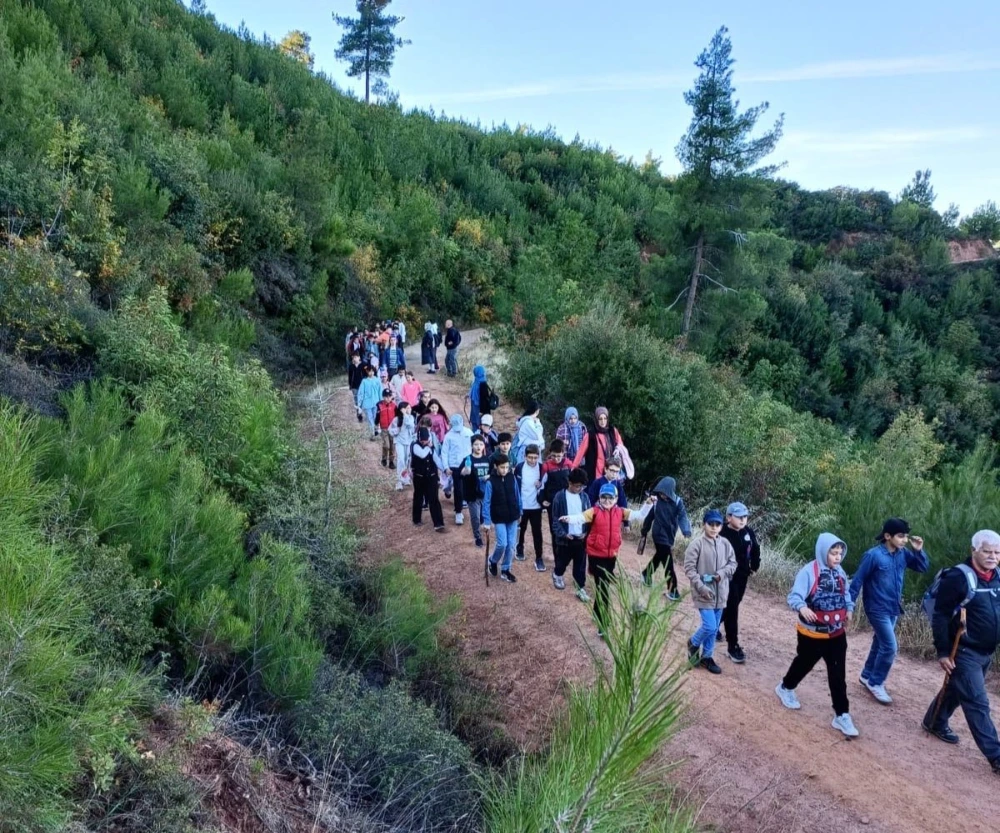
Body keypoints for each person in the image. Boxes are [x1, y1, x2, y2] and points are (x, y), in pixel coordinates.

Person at [921, 530, 1000, 773]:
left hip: (987, 651)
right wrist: (943, 652)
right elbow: (941, 615)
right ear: (973, 550)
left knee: (958, 688)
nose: (993, 556)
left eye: (997, 552)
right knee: (977, 702)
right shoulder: (958, 577)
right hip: (964, 650)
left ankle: (933, 722)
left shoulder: (997, 576)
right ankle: (996, 756)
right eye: (987, 551)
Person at [775, 533, 859, 738]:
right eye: (833, 553)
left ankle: (842, 714)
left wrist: (849, 608)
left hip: (837, 632)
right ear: (823, 552)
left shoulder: (840, 572)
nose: (838, 557)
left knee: (838, 674)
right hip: (811, 633)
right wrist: (802, 608)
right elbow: (794, 596)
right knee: (804, 663)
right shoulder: (808, 572)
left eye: (840, 553)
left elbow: (846, 594)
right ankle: (786, 687)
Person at [849, 518, 929, 704]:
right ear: (887, 536)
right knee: (890, 647)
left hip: (893, 607)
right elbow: (857, 581)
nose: (904, 540)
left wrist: (918, 551)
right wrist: (849, 606)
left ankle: (867, 674)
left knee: (880, 642)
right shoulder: (873, 555)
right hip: (876, 608)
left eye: (906, 536)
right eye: (901, 536)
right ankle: (876, 683)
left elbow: (923, 567)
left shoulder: (903, 554)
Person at [559, 485, 653, 636]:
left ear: (616, 499)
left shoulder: (620, 512)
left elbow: (640, 515)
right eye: (604, 497)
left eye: (611, 498)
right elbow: (581, 517)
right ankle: (603, 623)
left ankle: (597, 613)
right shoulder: (594, 512)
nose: (607, 500)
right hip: (596, 555)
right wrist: (568, 519)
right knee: (603, 588)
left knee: (603, 586)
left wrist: (648, 504)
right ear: (599, 498)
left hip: (611, 556)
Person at [683, 510, 737, 674]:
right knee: (709, 626)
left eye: (717, 525)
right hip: (703, 593)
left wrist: (721, 574)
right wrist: (701, 587)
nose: (714, 528)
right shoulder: (697, 544)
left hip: (720, 594)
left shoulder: (726, 544)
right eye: (710, 524)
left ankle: (707, 657)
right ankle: (693, 643)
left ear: (721, 526)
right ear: (704, 525)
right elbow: (689, 569)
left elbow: (732, 564)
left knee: (713, 630)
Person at [718, 502, 761, 664]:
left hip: (742, 575)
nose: (743, 520)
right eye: (739, 517)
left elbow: (755, 549)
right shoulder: (721, 532)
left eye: (745, 516)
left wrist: (755, 565)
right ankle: (732, 645)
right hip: (726, 577)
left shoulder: (748, 532)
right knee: (733, 608)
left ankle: (712, 627)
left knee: (731, 605)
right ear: (729, 517)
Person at [640, 476, 692, 601]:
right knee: (668, 562)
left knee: (660, 556)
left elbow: (682, 517)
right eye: (660, 493)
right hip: (658, 534)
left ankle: (646, 574)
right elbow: (649, 517)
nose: (662, 495)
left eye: (664, 493)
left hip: (669, 535)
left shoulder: (678, 502)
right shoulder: (657, 501)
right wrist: (644, 531)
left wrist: (686, 530)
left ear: (670, 491)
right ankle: (673, 590)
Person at [550, 467, 592, 600]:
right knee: (562, 562)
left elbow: (589, 516)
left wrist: (586, 533)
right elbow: (555, 519)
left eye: (581, 486)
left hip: (580, 538)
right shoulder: (560, 497)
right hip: (566, 539)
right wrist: (563, 534)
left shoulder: (585, 497)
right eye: (577, 486)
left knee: (580, 566)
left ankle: (580, 588)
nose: (579, 488)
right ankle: (557, 574)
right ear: (570, 483)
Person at [482, 453, 522, 584]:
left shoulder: (512, 478)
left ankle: (505, 569)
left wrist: (520, 511)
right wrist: (487, 521)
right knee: (502, 544)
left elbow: (517, 495)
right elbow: (486, 502)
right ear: (496, 466)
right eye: (502, 467)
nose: (504, 470)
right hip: (498, 517)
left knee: (511, 546)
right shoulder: (490, 482)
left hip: (512, 516)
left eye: (506, 467)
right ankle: (493, 561)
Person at [572, 407, 625, 482]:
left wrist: (618, 450)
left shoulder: (612, 431)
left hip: (612, 472)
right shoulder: (591, 435)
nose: (603, 421)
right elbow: (580, 453)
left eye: (605, 418)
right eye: (600, 419)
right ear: (597, 420)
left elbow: (621, 446)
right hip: (596, 474)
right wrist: (573, 468)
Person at [514, 445, 545, 572]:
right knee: (521, 528)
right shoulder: (519, 468)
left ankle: (539, 557)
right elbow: (515, 487)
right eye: (530, 457)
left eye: (535, 458)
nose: (533, 460)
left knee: (537, 532)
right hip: (522, 505)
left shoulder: (542, 468)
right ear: (525, 456)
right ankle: (519, 546)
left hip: (536, 506)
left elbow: (546, 484)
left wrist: (541, 485)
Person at [441, 414, 473, 525]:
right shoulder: (448, 436)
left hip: (467, 463)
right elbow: (444, 453)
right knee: (458, 489)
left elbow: (475, 446)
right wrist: (446, 467)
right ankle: (458, 512)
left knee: (468, 487)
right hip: (455, 465)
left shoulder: (468, 432)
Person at [410, 427, 445, 531]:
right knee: (418, 498)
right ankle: (416, 519)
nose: (424, 441)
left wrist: (444, 469)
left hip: (431, 476)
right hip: (419, 477)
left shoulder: (430, 447)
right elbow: (422, 454)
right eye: (422, 439)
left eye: (425, 439)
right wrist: (429, 447)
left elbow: (436, 460)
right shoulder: (415, 446)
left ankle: (438, 523)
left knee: (434, 499)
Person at [461, 435, 492, 547]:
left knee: (483, 516)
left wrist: (488, 476)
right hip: (472, 494)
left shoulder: (488, 459)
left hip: (485, 494)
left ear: (484, 446)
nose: (478, 447)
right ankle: (477, 537)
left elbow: (493, 473)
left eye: (481, 444)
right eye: (476, 444)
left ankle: (483, 529)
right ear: (472, 445)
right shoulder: (467, 459)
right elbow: (461, 474)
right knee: (475, 517)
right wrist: (466, 470)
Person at [389, 401, 416, 490]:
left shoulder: (411, 418)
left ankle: (405, 477)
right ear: (402, 409)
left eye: (409, 407)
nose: (409, 409)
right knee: (401, 460)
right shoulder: (396, 419)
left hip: (408, 442)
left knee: (407, 460)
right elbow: (390, 430)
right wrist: (397, 430)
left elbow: (410, 425)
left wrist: (405, 415)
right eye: (407, 408)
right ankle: (399, 481)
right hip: (399, 442)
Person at [513, 401, 544, 466]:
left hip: (532, 450)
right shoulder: (528, 422)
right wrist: (538, 423)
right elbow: (537, 435)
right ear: (537, 411)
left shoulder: (529, 421)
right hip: (527, 450)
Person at [356, 365, 383, 441]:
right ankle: (372, 433)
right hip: (367, 403)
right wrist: (359, 404)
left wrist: (381, 402)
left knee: (375, 418)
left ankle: (376, 430)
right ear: (367, 372)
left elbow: (380, 392)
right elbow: (361, 393)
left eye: (372, 371)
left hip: (376, 403)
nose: (371, 373)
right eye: (369, 371)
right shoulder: (364, 381)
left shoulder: (377, 380)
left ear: (374, 371)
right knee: (369, 418)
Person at [376, 389, 397, 468]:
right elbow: (377, 417)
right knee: (386, 445)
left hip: (392, 429)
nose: (388, 398)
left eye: (389, 397)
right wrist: (376, 425)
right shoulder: (380, 406)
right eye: (386, 397)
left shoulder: (394, 406)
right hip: (384, 428)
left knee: (392, 446)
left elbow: (398, 417)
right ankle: (384, 458)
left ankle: (391, 461)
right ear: (383, 397)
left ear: (392, 397)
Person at [468, 365, 491, 429]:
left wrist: (482, 410)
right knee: (474, 418)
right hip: (474, 403)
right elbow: (472, 388)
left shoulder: (482, 384)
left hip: (479, 406)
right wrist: (468, 394)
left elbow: (484, 398)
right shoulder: (477, 380)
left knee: (478, 420)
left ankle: (477, 432)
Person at [347, 354, 367, 422]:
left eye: (355, 357)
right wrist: (350, 385)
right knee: (356, 401)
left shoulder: (364, 365)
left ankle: (367, 414)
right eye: (353, 357)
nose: (354, 359)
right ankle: (359, 415)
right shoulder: (351, 366)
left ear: (359, 357)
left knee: (363, 400)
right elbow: (349, 376)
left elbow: (367, 374)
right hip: (354, 386)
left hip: (363, 386)